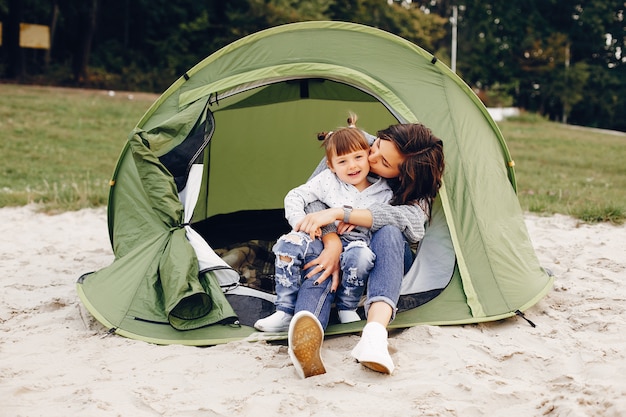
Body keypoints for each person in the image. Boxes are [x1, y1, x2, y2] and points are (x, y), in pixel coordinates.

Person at [286, 121, 445, 377]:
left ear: (403, 175)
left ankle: (374, 336)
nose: (370, 159)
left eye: (384, 163)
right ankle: (308, 330)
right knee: (324, 256)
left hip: (386, 257)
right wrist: (332, 241)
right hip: (345, 246)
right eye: (377, 146)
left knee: (390, 230)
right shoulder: (355, 144)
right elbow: (314, 197)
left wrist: (346, 213)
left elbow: (413, 222)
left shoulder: (418, 183)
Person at [254, 118, 393, 334]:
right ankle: (285, 310)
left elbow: (384, 223)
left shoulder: (383, 192)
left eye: (358, 157)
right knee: (287, 244)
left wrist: (356, 218)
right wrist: (301, 223)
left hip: (357, 244)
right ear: (331, 165)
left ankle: (347, 306)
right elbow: (295, 196)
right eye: (343, 161)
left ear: (368, 155)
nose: (352, 166)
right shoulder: (328, 181)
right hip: (321, 239)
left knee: (361, 255)